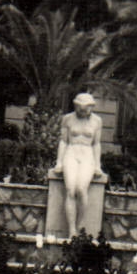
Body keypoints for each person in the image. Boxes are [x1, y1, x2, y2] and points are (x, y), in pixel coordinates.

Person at [51, 92, 104, 237]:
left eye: (86, 108)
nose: (83, 111)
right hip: (71, 152)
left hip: (87, 155)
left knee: (81, 189)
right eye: (80, 108)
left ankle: (80, 224)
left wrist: (97, 165)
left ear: (91, 107)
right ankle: (71, 229)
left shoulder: (97, 121)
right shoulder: (67, 119)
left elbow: (96, 144)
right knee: (70, 189)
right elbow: (63, 141)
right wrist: (59, 162)